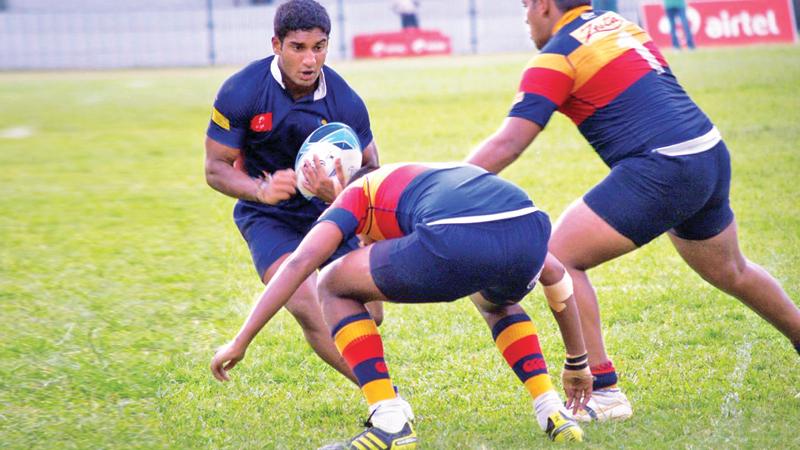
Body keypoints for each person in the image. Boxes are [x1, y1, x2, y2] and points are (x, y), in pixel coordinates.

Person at [466, 0, 800, 423]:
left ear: (546, 5)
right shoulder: (614, 24)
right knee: (731, 270)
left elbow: (508, 144)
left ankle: (603, 393)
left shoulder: (555, 58)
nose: (525, 14)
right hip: (706, 152)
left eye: (527, 4)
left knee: (560, 257)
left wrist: (438, 188)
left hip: (666, 166)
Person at [211, 162, 593, 447]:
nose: (361, 242)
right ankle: (552, 410)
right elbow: (557, 279)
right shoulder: (429, 180)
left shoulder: (356, 195)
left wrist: (241, 340)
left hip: (457, 234)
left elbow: (298, 263)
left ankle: (390, 422)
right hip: (527, 224)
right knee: (494, 297)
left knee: (330, 283)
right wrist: (577, 362)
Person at [204, 0, 383, 386]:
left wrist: (337, 190)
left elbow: (373, 170)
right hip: (268, 216)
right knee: (309, 302)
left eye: (319, 47)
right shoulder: (242, 91)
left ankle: (382, 391)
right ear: (276, 45)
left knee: (370, 314)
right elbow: (214, 169)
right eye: (297, 48)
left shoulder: (344, 100)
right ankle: (387, 399)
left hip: (326, 211)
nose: (309, 60)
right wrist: (260, 189)